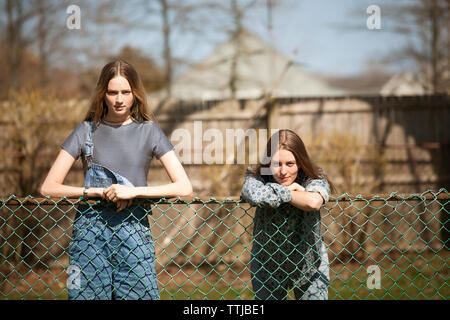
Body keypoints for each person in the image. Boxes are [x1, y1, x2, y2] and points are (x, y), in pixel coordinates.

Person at [40, 59, 192, 300]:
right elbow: (48, 188)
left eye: (126, 92)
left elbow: (184, 187)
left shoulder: (149, 131)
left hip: (133, 235)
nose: (119, 99)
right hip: (89, 239)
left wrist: (133, 192)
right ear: (103, 93)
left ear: (135, 94)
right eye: (112, 92)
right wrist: (97, 192)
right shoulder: (85, 131)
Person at [241, 129, 334, 300]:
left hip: (310, 264)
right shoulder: (256, 177)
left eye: (290, 164)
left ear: (300, 162)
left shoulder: (314, 176)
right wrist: (290, 191)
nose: (283, 171)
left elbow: (313, 202)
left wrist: (279, 194)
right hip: (266, 265)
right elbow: (254, 195)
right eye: (277, 164)